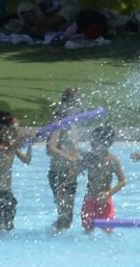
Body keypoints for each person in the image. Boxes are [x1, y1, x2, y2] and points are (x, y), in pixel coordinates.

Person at [0, 111, 33, 231]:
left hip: (7, 191)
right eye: (15, 127)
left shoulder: (11, 146)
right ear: (4, 128)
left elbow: (26, 161)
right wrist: (18, 142)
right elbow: (5, 157)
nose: (17, 130)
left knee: (9, 227)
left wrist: (30, 145)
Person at [47, 88, 82, 231]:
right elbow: (51, 148)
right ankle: (51, 239)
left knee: (68, 218)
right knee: (64, 216)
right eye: (76, 102)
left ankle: (54, 237)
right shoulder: (59, 123)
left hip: (70, 174)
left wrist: (81, 160)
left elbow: (74, 149)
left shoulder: (72, 124)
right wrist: (70, 158)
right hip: (59, 174)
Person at [78, 126, 125, 232]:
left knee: (108, 230)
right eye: (91, 140)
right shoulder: (89, 158)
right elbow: (76, 164)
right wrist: (77, 167)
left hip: (105, 201)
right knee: (87, 230)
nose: (91, 143)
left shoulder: (113, 161)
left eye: (94, 141)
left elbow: (122, 181)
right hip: (89, 199)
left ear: (106, 144)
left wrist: (108, 194)